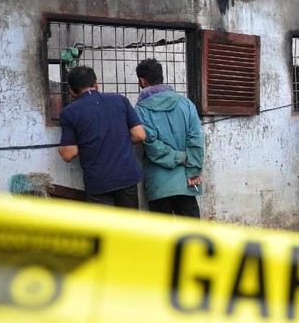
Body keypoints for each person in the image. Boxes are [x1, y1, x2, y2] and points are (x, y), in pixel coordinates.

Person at [58, 65, 146, 207]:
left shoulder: (69, 113)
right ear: (96, 84)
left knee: (104, 227)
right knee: (130, 227)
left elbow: (68, 154)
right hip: (126, 176)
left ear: (71, 91)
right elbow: (139, 135)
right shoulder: (120, 100)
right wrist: (119, 140)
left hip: (98, 182)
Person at [135, 58, 204, 217]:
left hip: (158, 184)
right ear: (161, 77)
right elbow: (196, 139)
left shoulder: (140, 109)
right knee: (192, 236)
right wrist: (193, 169)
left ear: (142, 80)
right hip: (187, 180)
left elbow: (151, 144)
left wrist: (176, 157)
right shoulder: (186, 103)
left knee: (163, 237)